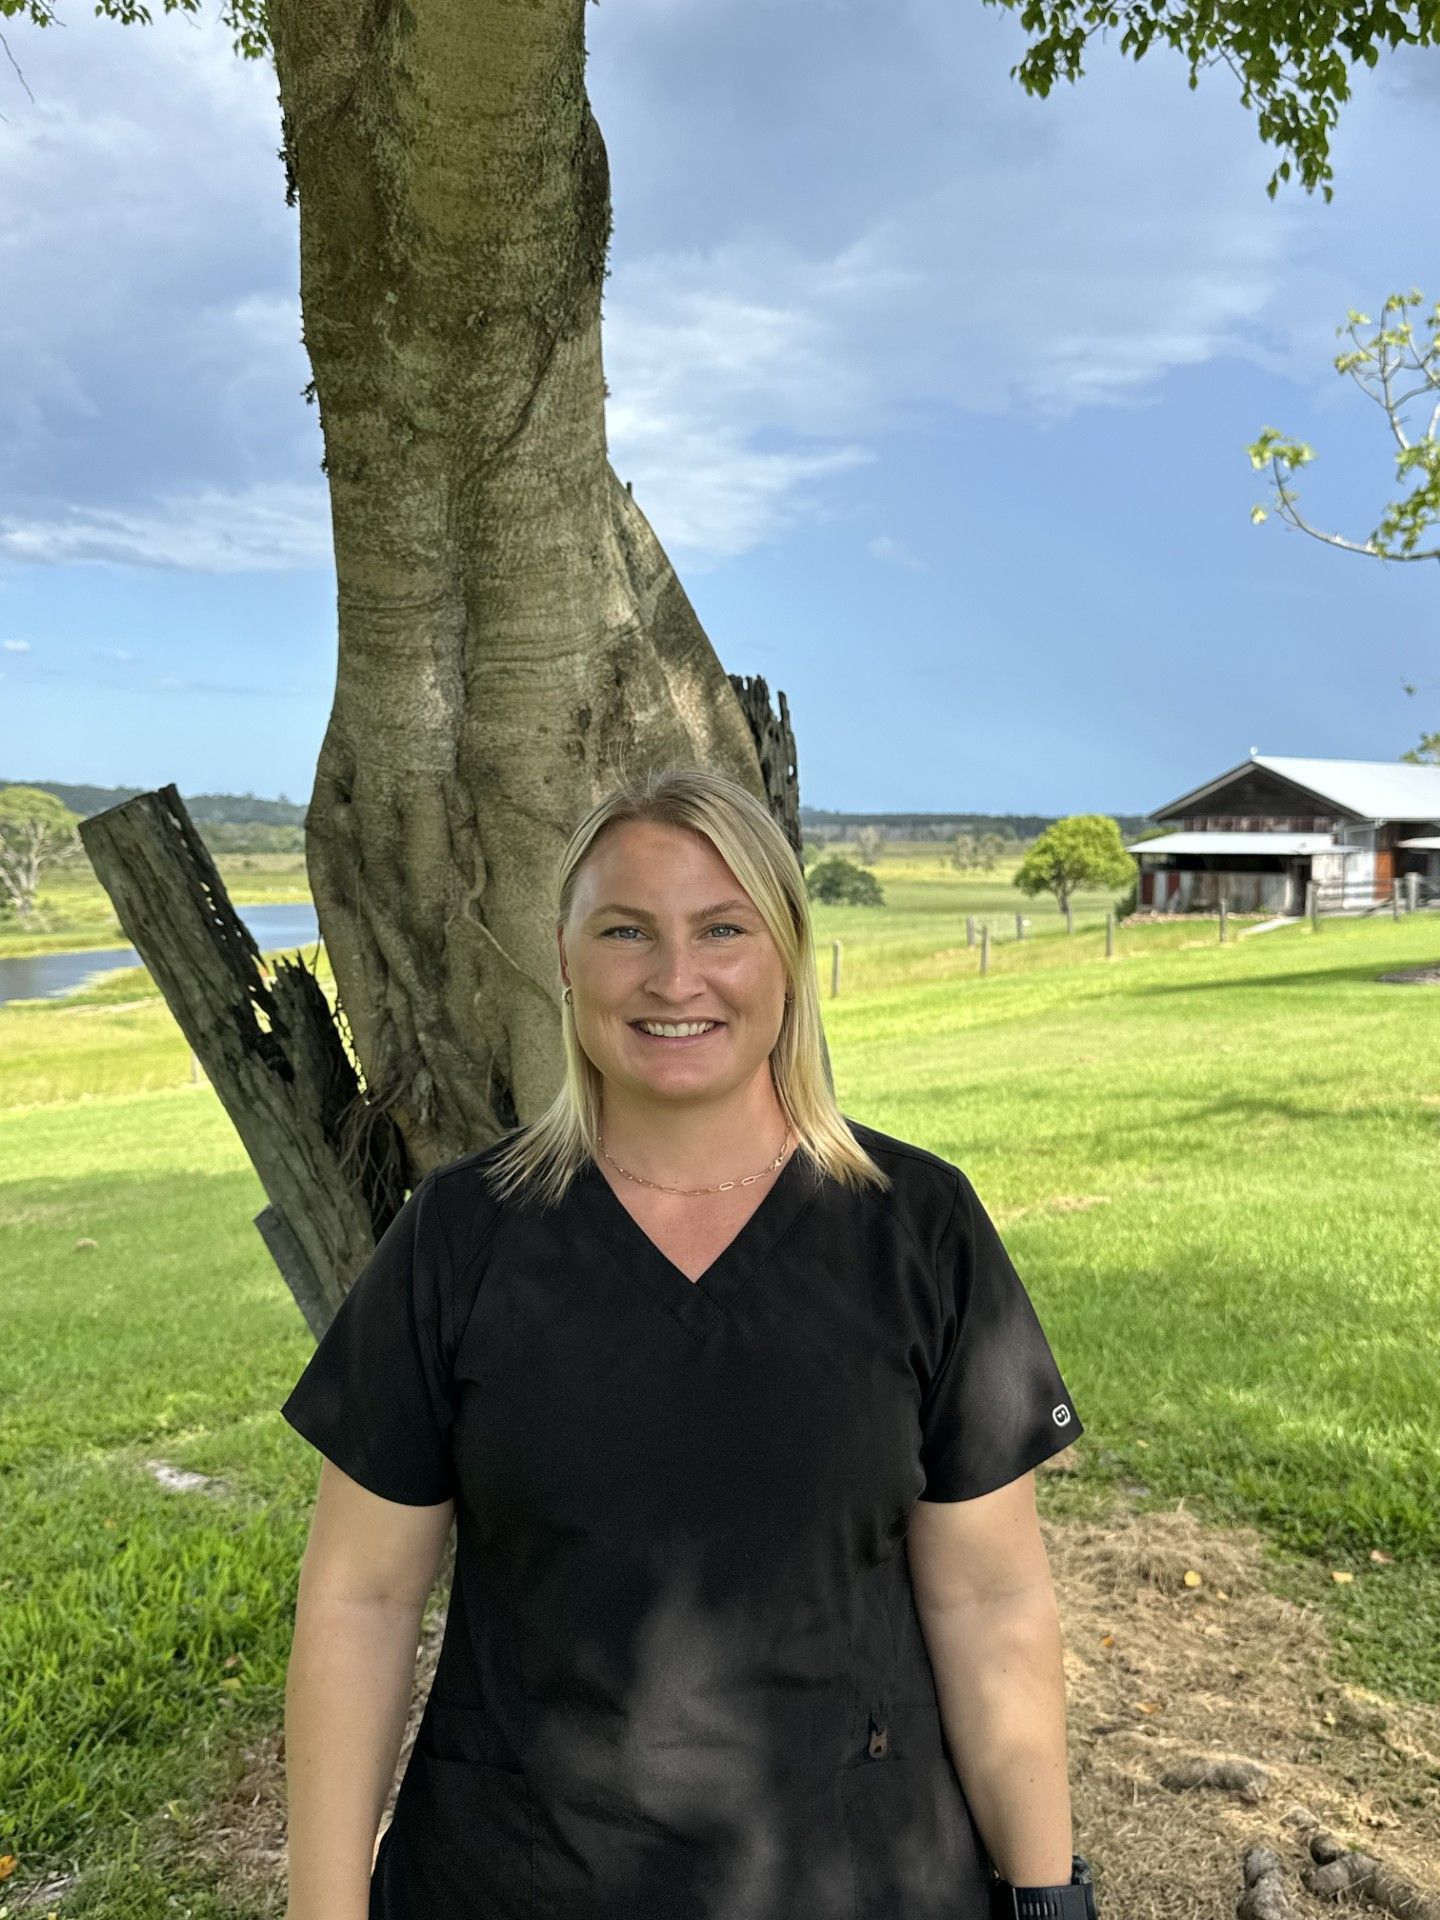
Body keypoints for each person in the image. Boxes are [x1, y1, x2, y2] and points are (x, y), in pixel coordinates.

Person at [280, 762, 1093, 1920]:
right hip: (519, 1879)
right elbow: (359, 1597)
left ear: (788, 955)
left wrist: (1050, 1901)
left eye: (723, 928)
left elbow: (992, 1603)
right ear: (563, 957)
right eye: (625, 931)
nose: (676, 978)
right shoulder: (458, 1239)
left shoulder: (919, 1228)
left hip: (861, 1875)